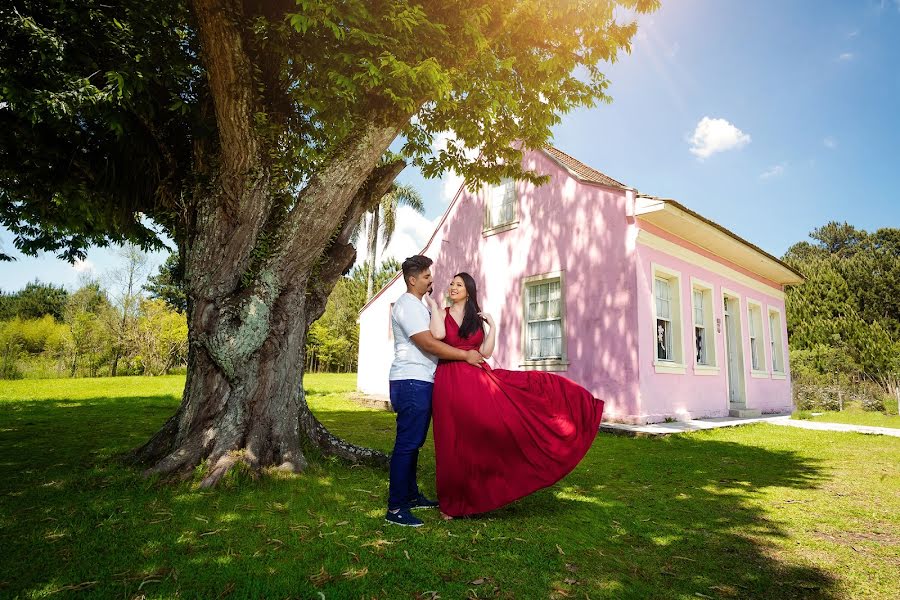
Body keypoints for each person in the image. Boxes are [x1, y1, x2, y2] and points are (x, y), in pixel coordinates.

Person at [425, 272, 604, 519]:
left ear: (469, 290)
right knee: (452, 439)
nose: (454, 287)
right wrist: (433, 306)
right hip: (450, 379)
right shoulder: (442, 313)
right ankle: (452, 503)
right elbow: (437, 336)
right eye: (452, 283)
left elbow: (485, 352)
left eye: (460, 284)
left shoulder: (475, 319)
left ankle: (482, 491)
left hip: (477, 378)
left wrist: (493, 327)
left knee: (496, 424)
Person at [385, 256, 484, 527]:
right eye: (427, 276)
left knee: (415, 442)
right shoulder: (407, 306)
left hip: (423, 381)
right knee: (407, 444)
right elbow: (429, 344)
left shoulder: (419, 306)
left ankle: (411, 494)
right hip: (410, 380)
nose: (432, 280)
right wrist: (465, 357)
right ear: (412, 280)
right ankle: (396, 508)